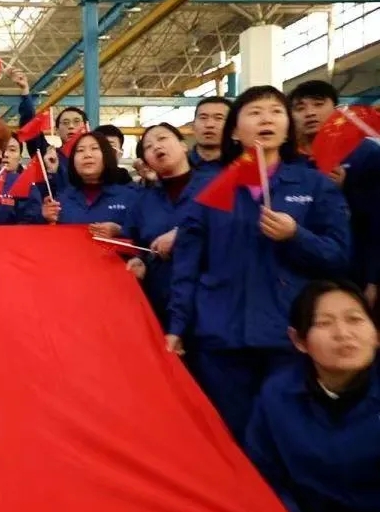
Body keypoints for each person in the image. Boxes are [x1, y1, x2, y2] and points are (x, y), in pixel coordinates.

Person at [166, 85, 353, 442]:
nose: (266, 119)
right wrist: (177, 325)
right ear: (235, 132)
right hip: (221, 336)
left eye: (275, 112)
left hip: (289, 335)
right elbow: (187, 266)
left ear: (287, 128)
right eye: (254, 113)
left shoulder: (313, 185)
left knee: (289, 436)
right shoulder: (209, 189)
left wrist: (296, 235)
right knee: (228, 437)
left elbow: (339, 257)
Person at [238, 280, 380, 512]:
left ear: (376, 333)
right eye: (324, 323)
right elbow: (261, 471)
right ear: (299, 340)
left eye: (355, 319)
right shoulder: (277, 396)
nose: (343, 333)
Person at [289, 79, 380, 308]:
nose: (310, 113)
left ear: (336, 109)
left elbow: (376, 222)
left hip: (355, 273)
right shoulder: (287, 162)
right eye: (300, 108)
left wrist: (373, 279)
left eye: (318, 104)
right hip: (300, 276)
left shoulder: (365, 154)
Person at [122, 123, 204, 328]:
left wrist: (182, 236)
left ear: (184, 145)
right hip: (160, 307)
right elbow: (133, 243)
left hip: (211, 307)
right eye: (148, 147)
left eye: (162, 138)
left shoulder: (213, 187)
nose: (156, 147)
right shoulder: (142, 201)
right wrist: (137, 260)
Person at [36, 131, 137, 236]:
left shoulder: (130, 197)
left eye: (94, 148)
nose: (87, 155)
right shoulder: (60, 201)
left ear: (107, 155)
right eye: (80, 150)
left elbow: (144, 235)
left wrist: (120, 231)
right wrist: (43, 217)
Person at [190, 97, 231, 173]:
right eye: (203, 118)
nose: (209, 124)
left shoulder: (243, 166)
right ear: (193, 126)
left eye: (218, 118)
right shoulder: (177, 164)